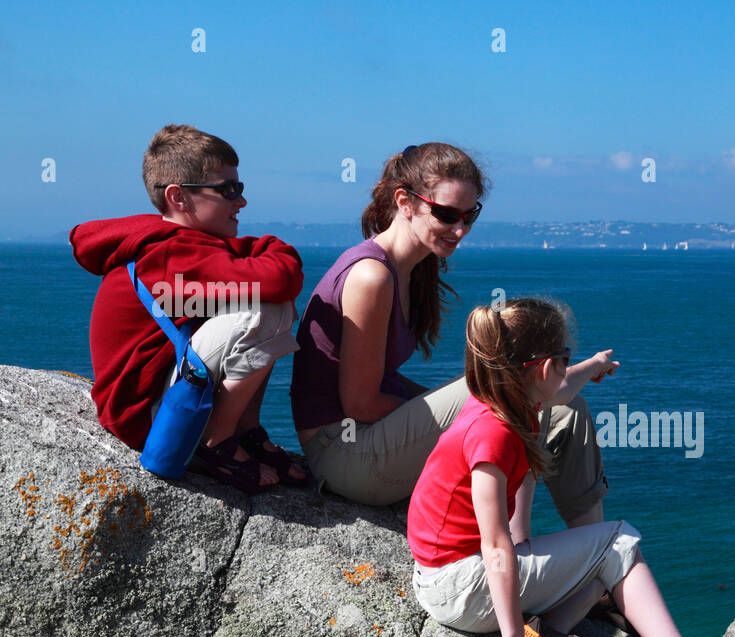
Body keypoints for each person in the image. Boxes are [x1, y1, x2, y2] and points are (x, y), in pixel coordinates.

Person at [407, 298, 735, 637]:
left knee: (606, 565)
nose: (568, 369)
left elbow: (560, 391)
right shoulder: (493, 436)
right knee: (617, 542)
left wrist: (591, 366)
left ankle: (548, 628)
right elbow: (495, 547)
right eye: (565, 359)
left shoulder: (499, 398)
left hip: (447, 579)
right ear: (543, 369)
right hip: (461, 588)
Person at [290, 142, 614, 520]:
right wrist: (454, 413)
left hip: (372, 442)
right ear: (405, 202)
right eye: (445, 214)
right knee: (504, 387)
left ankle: (594, 549)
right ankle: (513, 546)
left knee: (566, 413)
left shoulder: (413, 268)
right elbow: (360, 404)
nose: (459, 229)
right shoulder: (371, 275)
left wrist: (445, 410)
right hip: (344, 454)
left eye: (468, 215)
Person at [70, 123, 308, 492]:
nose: (240, 201)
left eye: (239, 188)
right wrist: (273, 248)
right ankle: (216, 442)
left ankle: (244, 432)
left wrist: (259, 252)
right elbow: (279, 279)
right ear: (178, 197)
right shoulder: (169, 254)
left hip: (162, 396)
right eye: (228, 190)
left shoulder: (182, 244)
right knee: (263, 309)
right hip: (147, 418)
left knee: (266, 302)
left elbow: (262, 271)